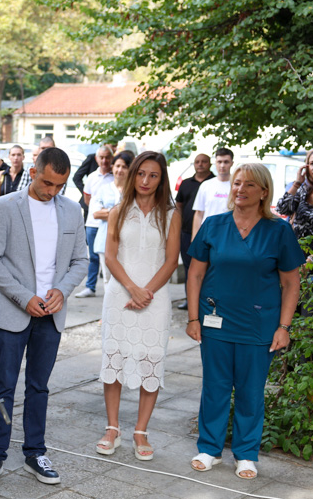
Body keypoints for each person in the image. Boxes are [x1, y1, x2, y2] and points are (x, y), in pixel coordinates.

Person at [0, 147, 89, 487]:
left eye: (60, 185)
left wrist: (62, 291)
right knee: (5, 385)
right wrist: (24, 298)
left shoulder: (72, 210)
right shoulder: (4, 205)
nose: (52, 191)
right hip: (14, 312)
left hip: (51, 314)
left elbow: (80, 261)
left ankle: (35, 452)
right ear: (34, 171)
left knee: (39, 387)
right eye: (47, 182)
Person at [186, 163, 303, 480]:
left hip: (259, 325)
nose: (240, 189)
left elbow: (292, 283)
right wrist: (193, 317)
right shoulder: (213, 225)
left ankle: (246, 454)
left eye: (249, 184)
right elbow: (195, 273)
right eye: (237, 183)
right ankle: (209, 449)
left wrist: (284, 327)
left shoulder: (278, 230)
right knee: (215, 387)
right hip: (216, 321)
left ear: (264, 191)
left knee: (251, 391)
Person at [95, 152, 180, 460]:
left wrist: (147, 292)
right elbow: (110, 256)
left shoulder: (171, 213)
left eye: (153, 175)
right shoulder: (118, 210)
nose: (146, 181)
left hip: (155, 299)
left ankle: (141, 431)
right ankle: (112, 428)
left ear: (162, 178)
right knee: (114, 358)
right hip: (120, 295)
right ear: (133, 175)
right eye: (141, 173)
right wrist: (132, 288)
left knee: (151, 359)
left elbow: (172, 260)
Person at [276, 146, 313, 299]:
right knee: (289, 310)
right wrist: (296, 183)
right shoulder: (304, 190)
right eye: (312, 163)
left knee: (311, 312)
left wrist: (307, 265)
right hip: (294, 254)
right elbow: (283, 208)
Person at [174, 153, 215, 310]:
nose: (200, 164)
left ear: (210, 164)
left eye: (204, 161)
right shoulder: (186, 183)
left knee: (208, 269)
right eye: (197, 162)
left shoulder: (214, 183)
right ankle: (189, 299)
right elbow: (179, 206)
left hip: (208, 235)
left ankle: (206, 300)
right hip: (186, 232)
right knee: (188, 267)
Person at [75, 144, 115, 298]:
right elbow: (87, 199)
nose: (104, 161)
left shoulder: (116, 175)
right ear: (97, 159)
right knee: (92, 256)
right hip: (93, 223)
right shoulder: (91, 177)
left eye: (107, 157)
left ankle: (111, 288)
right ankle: (90, 287)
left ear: (111, 158)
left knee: (111, 256)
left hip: (111, 224)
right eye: (102, 157)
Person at [90, 151, 135, 267]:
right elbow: (96, 214)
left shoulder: (133, 192)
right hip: (104, 240)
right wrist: (120, 211)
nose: (120, 170)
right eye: (117, 166)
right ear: (112, 167)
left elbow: (134, 214)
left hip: (128, 243)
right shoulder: (103, 189)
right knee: (107, 280)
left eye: (124, 167)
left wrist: (107, 210)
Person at [192, 146, 234, 239]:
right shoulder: (206, 185)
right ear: (215, 163)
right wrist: (195, 238)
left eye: (226, 162)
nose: (222, 165)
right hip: (208, 235)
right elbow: (199, 214)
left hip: (229, 235)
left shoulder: (237, 185)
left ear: (232, 163)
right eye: (219, 162)